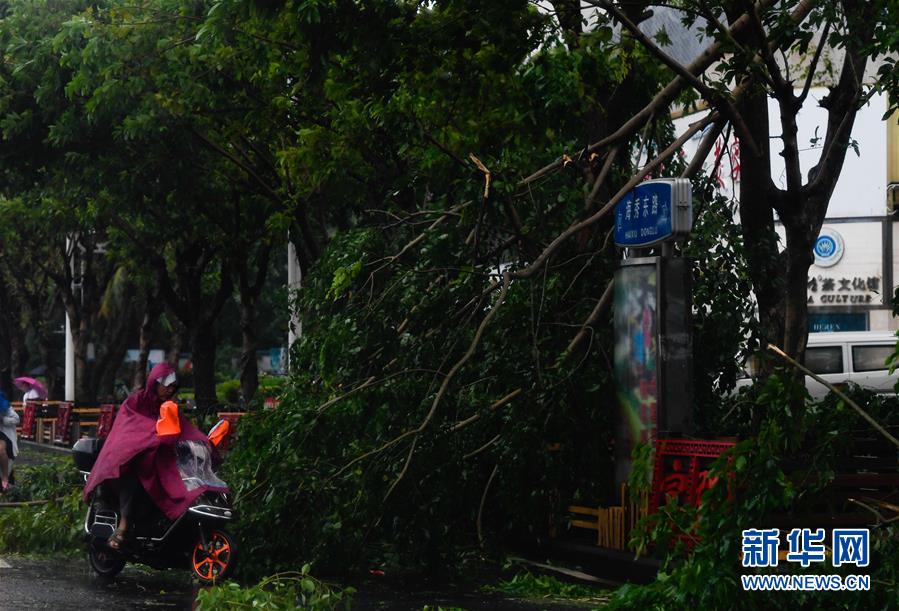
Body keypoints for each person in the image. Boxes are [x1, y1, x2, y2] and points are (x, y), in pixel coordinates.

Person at [83, 363, 212, 550]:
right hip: (132, 459)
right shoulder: (135, 403)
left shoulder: (169, 407)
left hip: (161, 459)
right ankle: (124, 525)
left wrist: (204, 443)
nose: (169, 390)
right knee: (133, 475)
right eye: (166, 385)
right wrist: (152, 437)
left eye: (173, 387)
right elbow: (128, 431)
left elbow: (185, 431)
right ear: (154, 382)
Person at [0, 390, 18, 492]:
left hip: (4, 435)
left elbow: (16, 419)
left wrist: (2, 419)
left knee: (1, 450)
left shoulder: (5, 407)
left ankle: (5, 478)